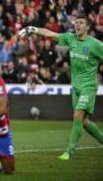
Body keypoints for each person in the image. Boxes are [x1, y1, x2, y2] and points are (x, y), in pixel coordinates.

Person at [19, 14, 103, 160]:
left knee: (77, 115)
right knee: (84, 121)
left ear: (87, 27)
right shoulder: (71, 38)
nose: (77, 25)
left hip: (88, 87)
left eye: (81, 23)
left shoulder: (95, 44)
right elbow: (51, 34)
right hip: (75, 87)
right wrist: (33, 29)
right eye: (76, 22)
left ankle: (69, 152)